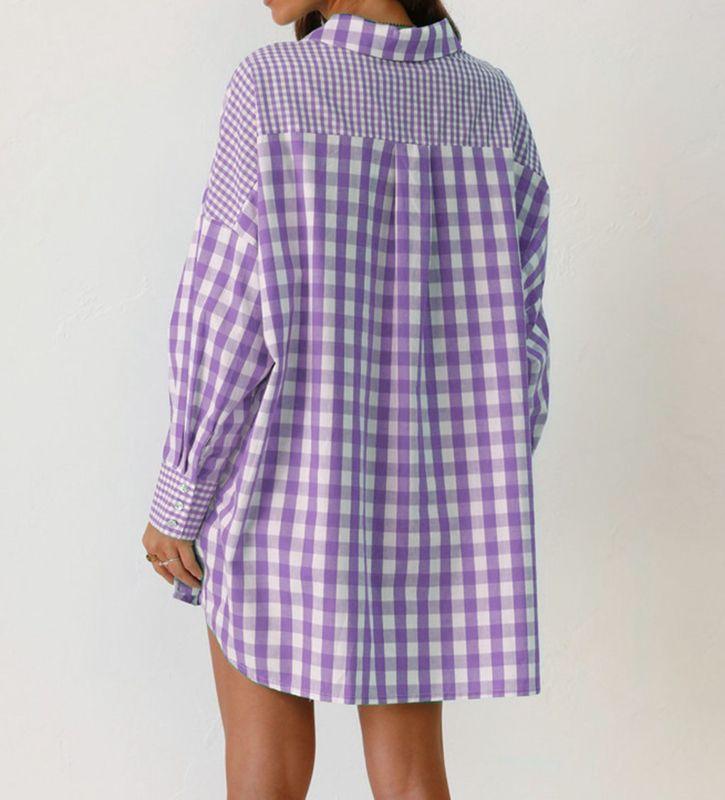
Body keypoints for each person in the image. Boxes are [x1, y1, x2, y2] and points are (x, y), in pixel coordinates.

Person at [141, 1, 551, 797]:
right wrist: (475, 474)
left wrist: (181, 491)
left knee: (265, 770)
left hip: (277, 492)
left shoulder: (273, 86)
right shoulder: (492, 104)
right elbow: (522, 342)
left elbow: (225, 315)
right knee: (412, 776)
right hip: (426, 512)